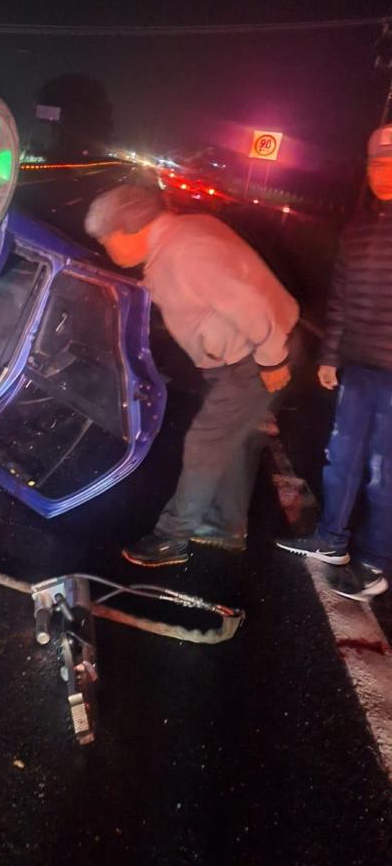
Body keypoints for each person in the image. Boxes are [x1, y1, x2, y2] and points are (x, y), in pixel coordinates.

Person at [84, 183, 299, 567]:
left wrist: (272, 360)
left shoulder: (186, 252)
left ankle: (172, 537)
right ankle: (226, 526)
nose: (107, 249)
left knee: (205, 443)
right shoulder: (179, 238)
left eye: (107, 239)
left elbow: (247, 304)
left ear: (132, 228)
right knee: (231, 442)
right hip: (242, 354)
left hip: (254, 355)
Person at [275, 126, 392, 600]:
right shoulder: (361, 227)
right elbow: (341, 299)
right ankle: (332, 538)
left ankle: (375, 563)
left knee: (386, 473)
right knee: (341, 458)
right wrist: (330, 356)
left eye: (389, 163)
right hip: (360, 367)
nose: (381, 171)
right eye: (375, 164)